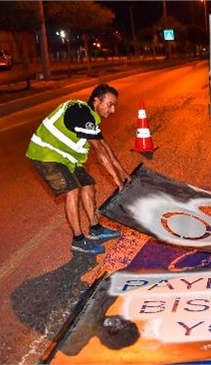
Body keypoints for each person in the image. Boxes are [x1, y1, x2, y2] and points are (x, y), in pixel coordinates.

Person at [26, 83, 130, 254]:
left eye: (114, 106)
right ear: (96, 101)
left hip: (66, 158)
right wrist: (116, 179)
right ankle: (78, 240)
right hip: (45, 154)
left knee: (88, 186)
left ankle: (95, 229)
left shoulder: (91, 119)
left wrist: (123, 172)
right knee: (72, 190)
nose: (112, 110)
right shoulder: (82, 113)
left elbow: (105, 147)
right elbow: (99, 152)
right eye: (110, 104)